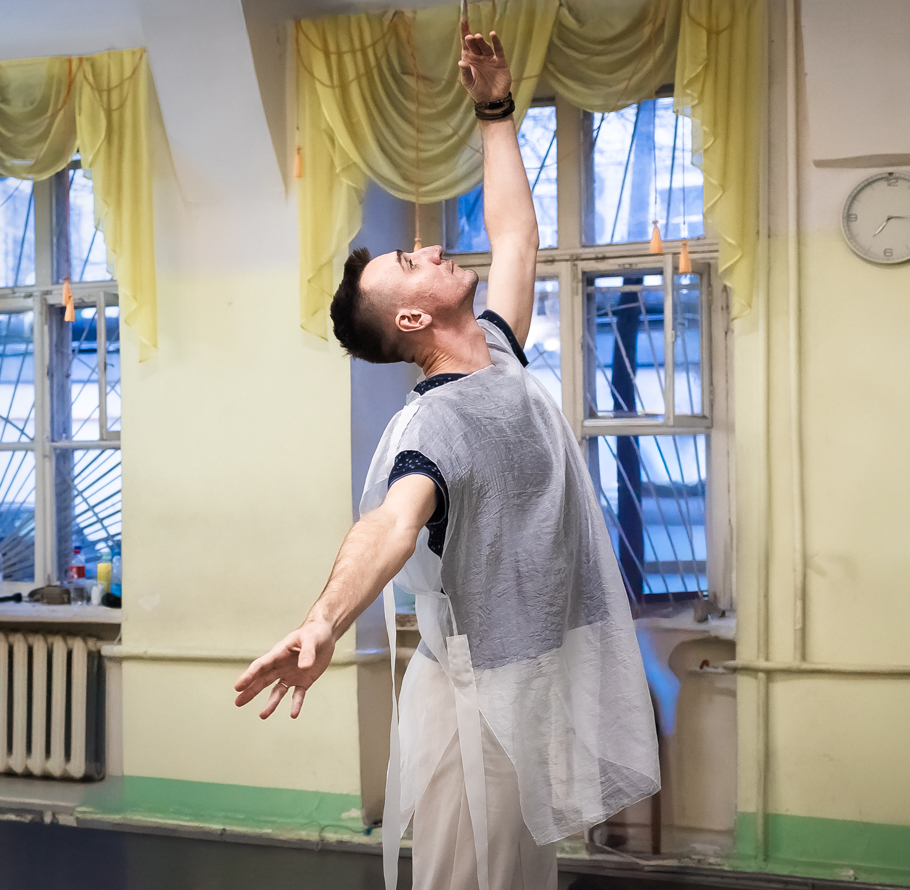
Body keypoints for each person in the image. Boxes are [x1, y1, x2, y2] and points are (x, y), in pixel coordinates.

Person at [234, 21, 660, 890]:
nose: (431, 246)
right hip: (473, 705)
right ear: (413, 319)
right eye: (411, 258)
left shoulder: (498, 352)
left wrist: (495, 110)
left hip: (525, 685)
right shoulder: (431, 427)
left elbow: (517, 238)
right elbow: (389, 525)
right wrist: (324, 622)